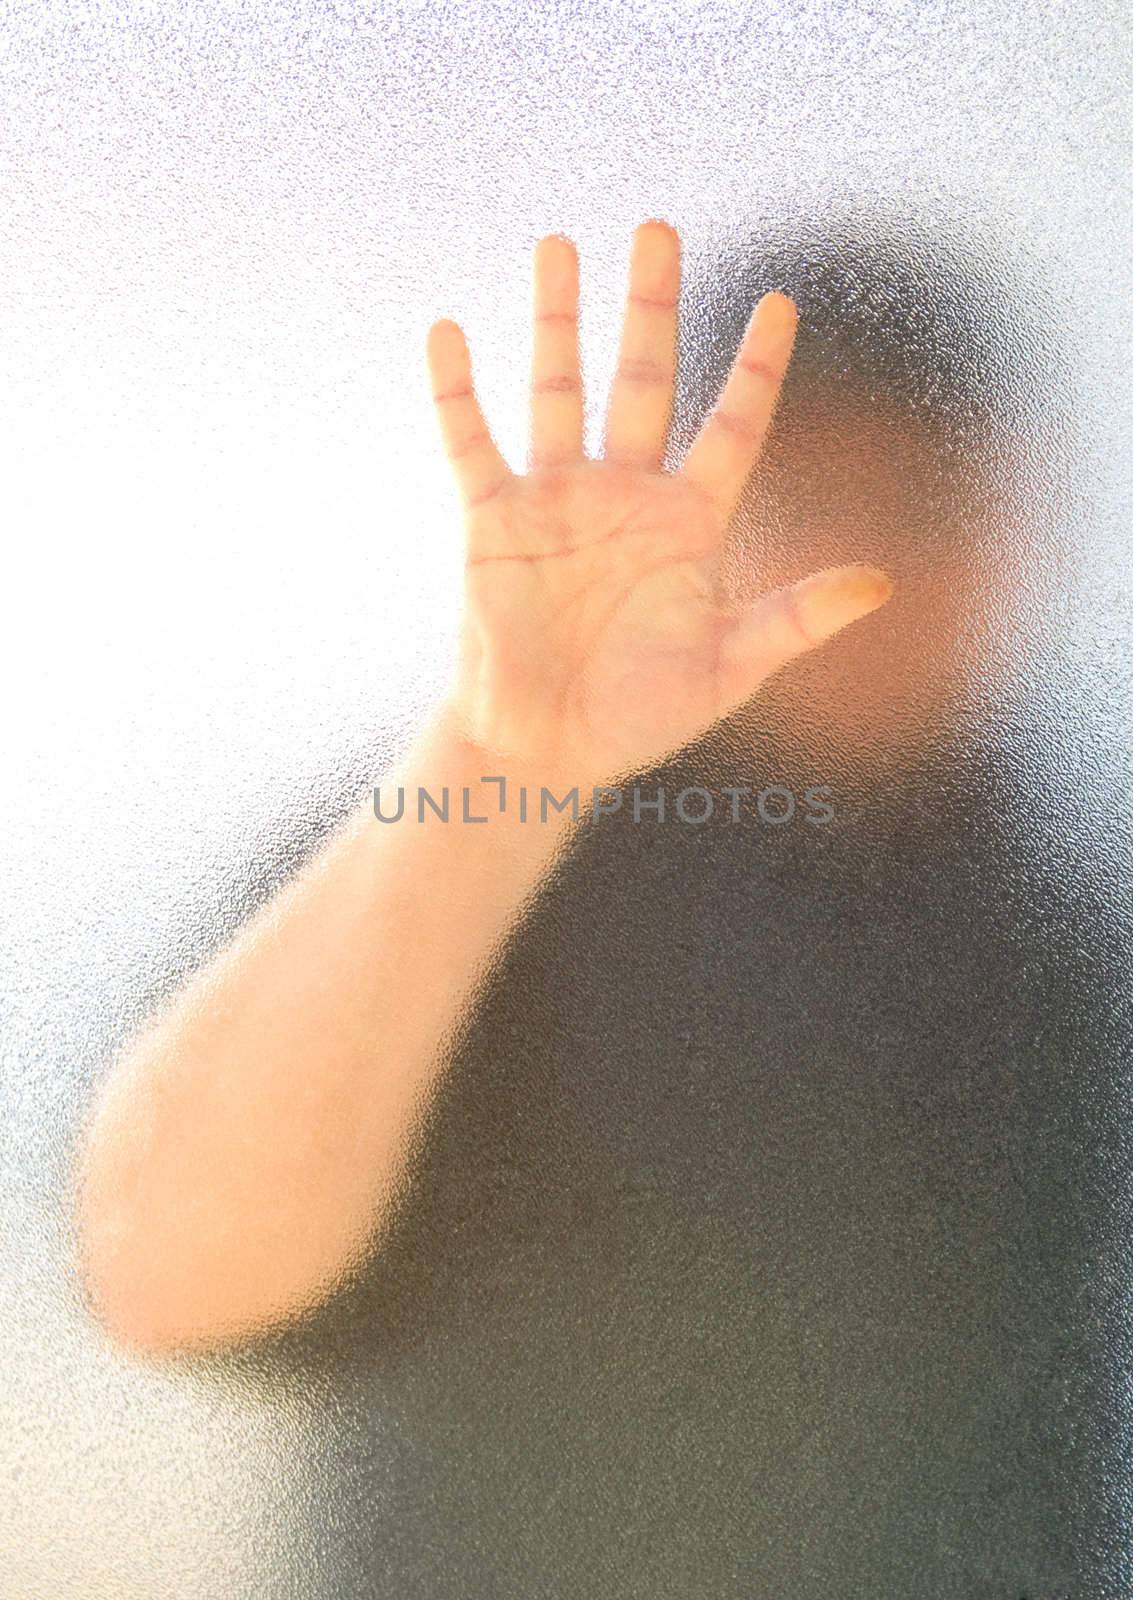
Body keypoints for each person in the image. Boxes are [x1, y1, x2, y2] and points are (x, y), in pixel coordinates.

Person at [72, 219, 893, 1356]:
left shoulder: (1082, 936)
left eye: (916, 509)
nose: (870, 557)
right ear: (726, 510)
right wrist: (515, 761)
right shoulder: (488, 846)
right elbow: (167, 1275)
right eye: (812, 502)